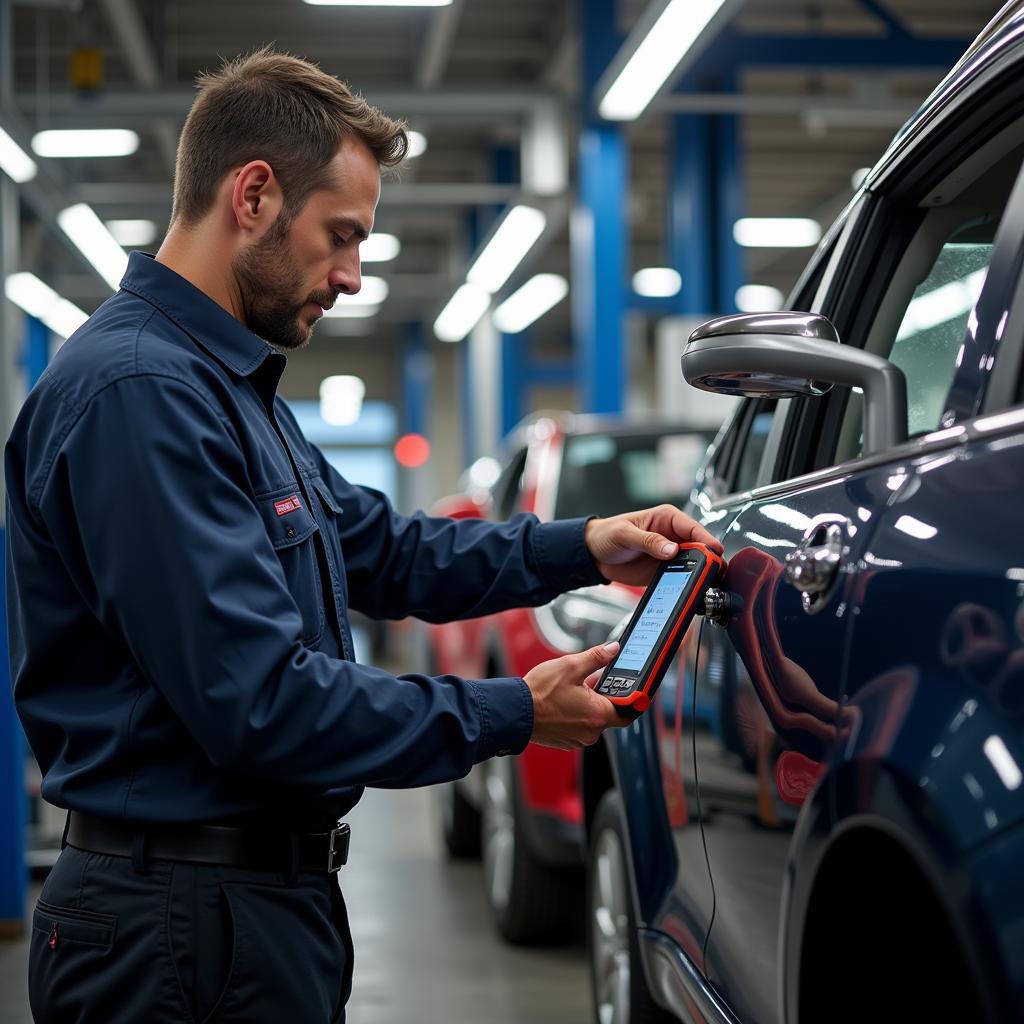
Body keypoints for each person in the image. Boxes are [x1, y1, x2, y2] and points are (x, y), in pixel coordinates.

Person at [4, 48, 722, 1023]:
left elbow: (387, 552)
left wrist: (584, 544)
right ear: (253, 194)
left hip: (244, 910)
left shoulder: (227, 389)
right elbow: (260, 702)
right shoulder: (142, 396)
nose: (348, 276)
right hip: (174, 933)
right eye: (341, 236)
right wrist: (512, 710)